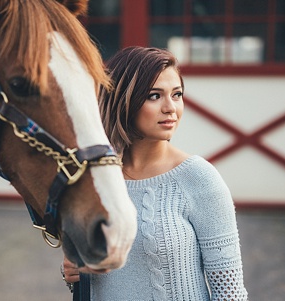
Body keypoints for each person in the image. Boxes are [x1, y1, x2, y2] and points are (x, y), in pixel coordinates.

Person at [61, 47, 248, 300]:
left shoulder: (199, 179)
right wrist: (72, 271)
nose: (171, 107)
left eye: (177, 94)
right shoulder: (94, 181)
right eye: (154, 96)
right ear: (123, 99)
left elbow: (230, 292)